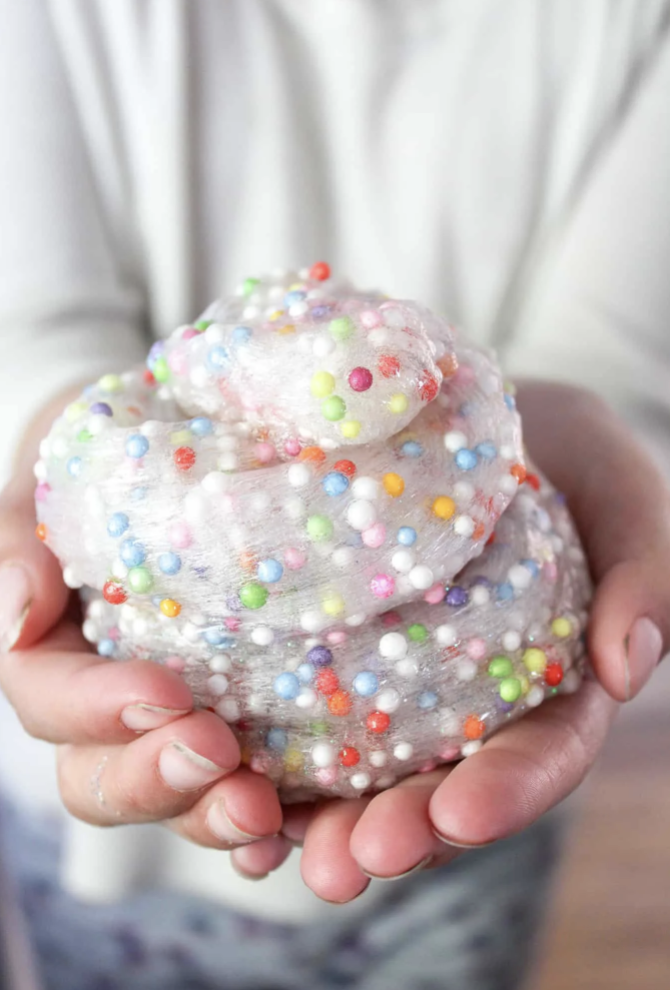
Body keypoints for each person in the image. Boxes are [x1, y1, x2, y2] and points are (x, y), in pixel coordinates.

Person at [1, 2, 669, 988]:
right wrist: (40, 423)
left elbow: (610, 350)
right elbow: (34, 326)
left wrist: (589, 420)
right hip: (105, 820)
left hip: (477, 801)